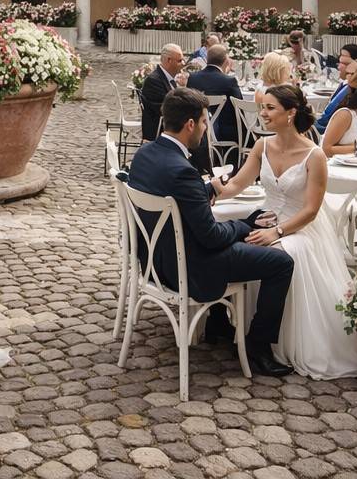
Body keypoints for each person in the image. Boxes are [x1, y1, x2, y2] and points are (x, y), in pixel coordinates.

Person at [125, 87, 294, 377]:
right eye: (204, 122)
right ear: (190, 124)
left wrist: (206, 190)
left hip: (153, 263)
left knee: (232, 237)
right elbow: (212, 237)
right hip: (188, 270)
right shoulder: (183, 170)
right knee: (281, 263)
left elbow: (170, 192)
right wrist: (246, 223)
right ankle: (259, 345)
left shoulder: (145, 154)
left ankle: (218, 323)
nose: (206, 129)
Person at [237, 85, 357, 378]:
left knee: (282, 252)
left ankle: (267, 343)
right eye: (262, 108)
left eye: (270, 108)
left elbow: (311, 210)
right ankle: (231, 327)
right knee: (234, 240)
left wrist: (278, 232)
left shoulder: (314, 155)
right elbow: (237, 183)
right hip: (267, 218)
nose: (263, 114)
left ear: (291, 113)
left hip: (301, 227)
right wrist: (210, 191)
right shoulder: (262, 146)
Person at [184, 43, 244, 157]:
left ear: (207, 59)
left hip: (198, 130)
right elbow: (239, 107)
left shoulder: (193, 78)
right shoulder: (229, 81)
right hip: (224, 133)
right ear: (226, 61)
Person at [139, 44, 187, 142]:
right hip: (160, 132)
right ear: (169, 60)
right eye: (179, 61)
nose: (183, 63)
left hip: (170, 126)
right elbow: (168, 109)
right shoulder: (154, 81)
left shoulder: (169, 78)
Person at [316, 43, 357, 132]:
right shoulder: (345, 85)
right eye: (340, 61)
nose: (339, 66)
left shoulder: (350, 90)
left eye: (345, 63)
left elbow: (326, 119)